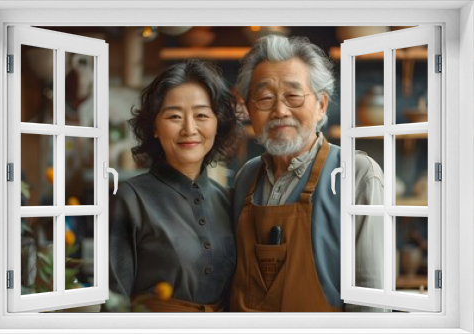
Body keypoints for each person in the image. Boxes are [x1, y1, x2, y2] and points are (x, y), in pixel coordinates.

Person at [229, 35, 385, 312]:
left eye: (293, 95)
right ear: (249, 110)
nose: (279, 110)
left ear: (321, 105)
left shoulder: (356, 173)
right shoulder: (246, 177)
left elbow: (371, 300)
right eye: (265, 98)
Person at [108, 59, 239, 312]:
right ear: (155, 126)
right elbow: (115, 300)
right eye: (174, 116)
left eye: (201, 115)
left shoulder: (229, 200)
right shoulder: (130, 197)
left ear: (217, 123)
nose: (189, 129)